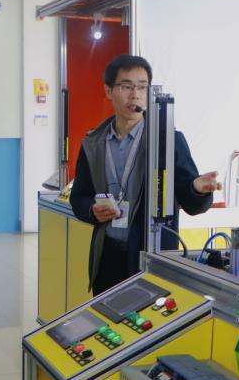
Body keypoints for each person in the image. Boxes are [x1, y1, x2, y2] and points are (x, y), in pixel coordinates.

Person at [70, 54, 220, 296]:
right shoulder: (94, 143)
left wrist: (196, 189)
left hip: (152, 256)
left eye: (142, 87)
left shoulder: (167, 140)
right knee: (106, 317)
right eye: (126, 86)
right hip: (106, 256)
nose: (135, 95)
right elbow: (79, 197)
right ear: (109, 91)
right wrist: (92, 210)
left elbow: (192, 203)